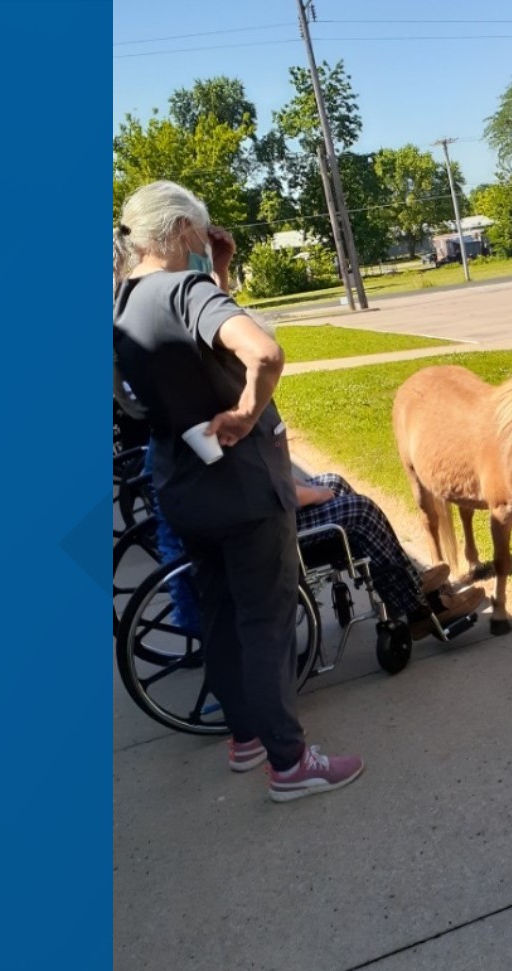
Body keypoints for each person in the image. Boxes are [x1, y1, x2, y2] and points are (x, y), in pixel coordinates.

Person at [112, 180, 361, 801]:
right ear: (180, 232)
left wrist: (218, 272)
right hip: (243, 487)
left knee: (220, 617)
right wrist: (249, 412)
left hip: (183, 484)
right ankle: (291, 762)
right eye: (201, 230)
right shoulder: (185, 289)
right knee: (266, 623)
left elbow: (185, 359)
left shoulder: (125, 301)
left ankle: (246, 737)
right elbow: (263, 352)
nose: (205, 239)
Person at [295, 472, 484, 638]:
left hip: (276, 515)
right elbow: (273, 490)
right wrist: (315, 494)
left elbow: (276, 475)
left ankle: (410, 582)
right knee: (361, 510)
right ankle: (416, 607)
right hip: (279, 528)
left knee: (334, 482)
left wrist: (312, 489)